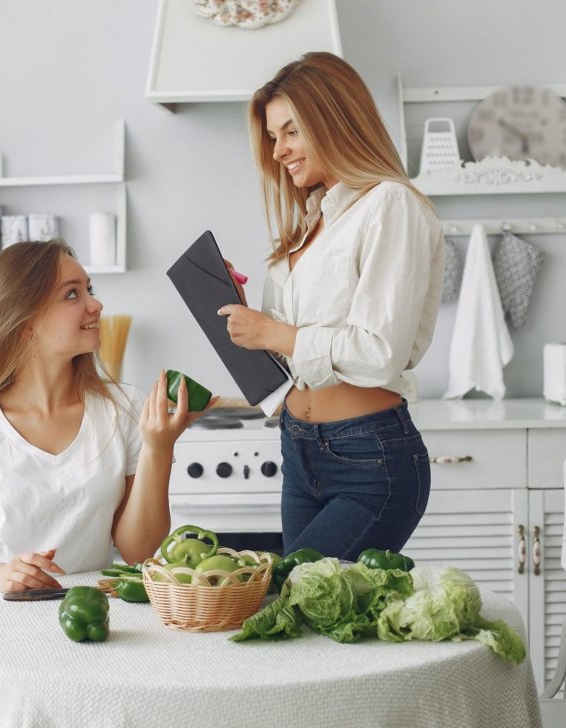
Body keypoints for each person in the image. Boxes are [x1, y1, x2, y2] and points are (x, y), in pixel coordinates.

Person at [0, 240, 208, 727]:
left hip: (66, 623)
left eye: (89, 289)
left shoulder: (122, 410)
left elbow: (140, 553)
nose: (95, 304)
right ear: (23, 319)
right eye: (72, 294)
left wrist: (159, 449)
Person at [218, 52, 445, 562]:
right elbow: (294, 359)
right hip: (298, 448)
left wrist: (272, 332)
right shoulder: (309, 224)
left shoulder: (391, 205)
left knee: (296, 601)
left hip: (370, 459)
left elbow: (379, 352)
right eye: (274, 137)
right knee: (309, 629)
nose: (278, 151)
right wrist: (243, 315)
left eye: (290, 132)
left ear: (333, 120)